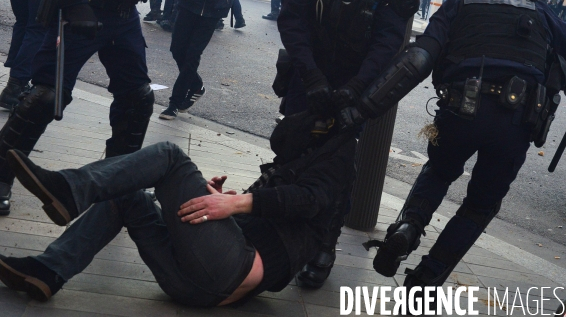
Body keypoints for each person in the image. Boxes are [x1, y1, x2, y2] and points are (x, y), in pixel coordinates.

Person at [337, 0, 566, 310]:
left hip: (461, 111)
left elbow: (418, 59)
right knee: (479, 206)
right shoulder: (538, 9)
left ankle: (408, 228)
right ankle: (424, 281)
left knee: (439, 171)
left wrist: (363, 109)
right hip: (517, 124)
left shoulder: (460, 2)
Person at [0, 113, 356, 306]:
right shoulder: (299, 164)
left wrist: (235, 203)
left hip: (230, 271)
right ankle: (49, 271)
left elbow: (308, 201)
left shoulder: (335, 163)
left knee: (170, 156)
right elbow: (272, 207)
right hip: (192, 284)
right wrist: (222, 202)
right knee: (126, 197)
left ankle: (69, 189)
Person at [0, 0, 203, 216]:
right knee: (46, 96)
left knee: (138, 98)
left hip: (123, 13)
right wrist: (75, 0)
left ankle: (118, 183)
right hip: (81, 8)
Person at [272, 0, 419, 287]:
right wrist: (311, 76)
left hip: (355, 81)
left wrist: (357, 86)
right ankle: (279, 229)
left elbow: (389, 38)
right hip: (307, 75)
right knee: (292, 151)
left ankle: (325, 244)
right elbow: (293, 21)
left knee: (340, 162)